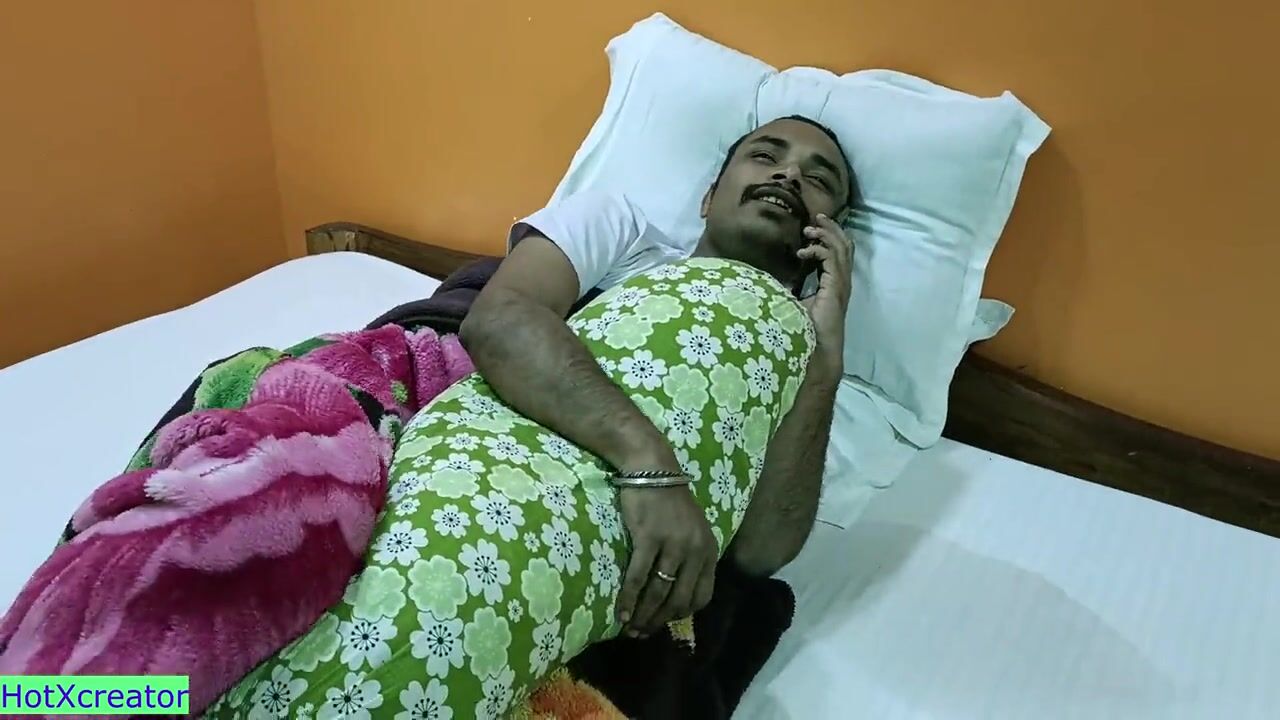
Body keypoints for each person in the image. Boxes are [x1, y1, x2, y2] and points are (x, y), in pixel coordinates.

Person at [462, 115, 856, 639]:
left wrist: (824, 361)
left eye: (818, 178)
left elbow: (758, 553)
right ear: (709, 198)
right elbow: (498, 319)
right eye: (766, 156)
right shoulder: (620, 230)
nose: (788, 175)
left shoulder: (800, 354)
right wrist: (649, 465)